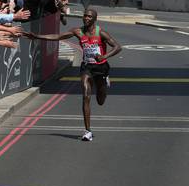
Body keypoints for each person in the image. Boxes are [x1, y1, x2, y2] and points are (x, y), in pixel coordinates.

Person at [25, 9, 122, 141]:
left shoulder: (101, 33)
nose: (86, 18)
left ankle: (104, 83)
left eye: (89, 16)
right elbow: (58, 37)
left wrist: (104, 56)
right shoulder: (78, 31)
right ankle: (87, 131)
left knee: (100, 100)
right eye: (85, 16)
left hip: (101, 68)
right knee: (86, 94)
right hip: (87, 67)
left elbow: (118, 47)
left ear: (94, 19)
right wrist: (37, 36)